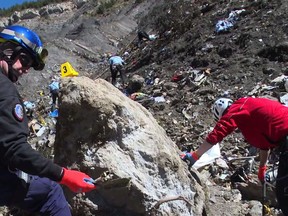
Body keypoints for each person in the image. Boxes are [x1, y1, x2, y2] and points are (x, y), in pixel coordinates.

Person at [0, 25, 96, 216]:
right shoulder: (5, 89)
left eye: (29, 66)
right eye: (24, 60)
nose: (26, 70)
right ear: (6, 50)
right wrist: (64, 175)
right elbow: (15, 149)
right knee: (49, 191)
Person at [180, 97, 288, 215]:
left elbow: (219, 132)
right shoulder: (250, 110)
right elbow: (264, 145)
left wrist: (195, 156)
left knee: (283, 192)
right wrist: (262, 168)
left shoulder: (238, 107)